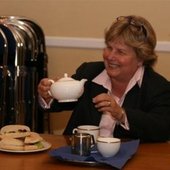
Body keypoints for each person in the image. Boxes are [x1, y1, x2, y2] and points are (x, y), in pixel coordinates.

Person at [38, 15, 170, 142]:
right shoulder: (89, 73)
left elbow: (162, 129)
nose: (110, 56)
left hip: (131, 161)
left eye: (120, 52)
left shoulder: (158, 87)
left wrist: (122, 114)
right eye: (109, 47)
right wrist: (48, 94)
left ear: (141, 58)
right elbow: (62, 101)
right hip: (80, 156)